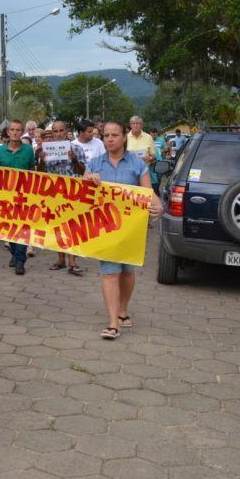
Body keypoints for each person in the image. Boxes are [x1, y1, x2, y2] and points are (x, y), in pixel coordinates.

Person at [84, 121, 164, 339]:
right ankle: (112, 323)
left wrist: (159, 205)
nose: (110, 139)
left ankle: (122, 310)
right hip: (105, 227)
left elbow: (147, 191)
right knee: (110, 273)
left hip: (131, 228)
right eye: (106, 135)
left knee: (127, 272)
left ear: (123, 137)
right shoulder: (94, 164)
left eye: (114, 135)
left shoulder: (137, 165)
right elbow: (81, 193)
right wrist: (88, 180)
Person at [36, 120, 86, 276]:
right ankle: (60, 259)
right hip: (53, 193)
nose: (58, 134)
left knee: (72, 226)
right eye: (55, 131)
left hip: (72, 193)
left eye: (61, 130)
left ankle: (73, 260)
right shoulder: (45, 149)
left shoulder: (76, 149)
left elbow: (83, 170)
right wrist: (42, 161)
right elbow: (41, 173)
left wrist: (74, 159)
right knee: (56, 226)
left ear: (67, 131)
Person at [0, 119, 36, 275]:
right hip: (6, 197)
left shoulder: (28, 150)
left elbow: (32, 170)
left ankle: (20, 261)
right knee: (9, 229)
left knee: (23, 228)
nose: (15, 132)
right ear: (8, 132)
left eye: (18, 130)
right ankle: (14, 253)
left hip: (24, 197)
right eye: (12, 129)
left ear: (22, 131)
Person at [127, 116, 158, 197]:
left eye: (138, 123)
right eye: (133, 123)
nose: (136, 125)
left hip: (144, 174)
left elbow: (153, 155)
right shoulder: (125, 137)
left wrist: (150, 158)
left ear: (142, 125)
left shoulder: (148, 137)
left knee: (143, 197)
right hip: (128, 173)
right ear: (130, 125)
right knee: (130, 197)